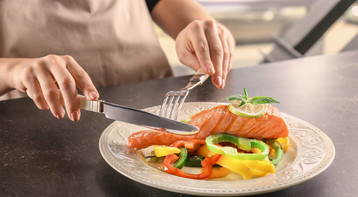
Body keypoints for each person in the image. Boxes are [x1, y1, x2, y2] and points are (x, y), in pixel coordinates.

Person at [0, 0, 235, 121]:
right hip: (42, 129)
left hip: (158, 114)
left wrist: (205, 35)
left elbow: (211, 31)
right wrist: (13, 70)